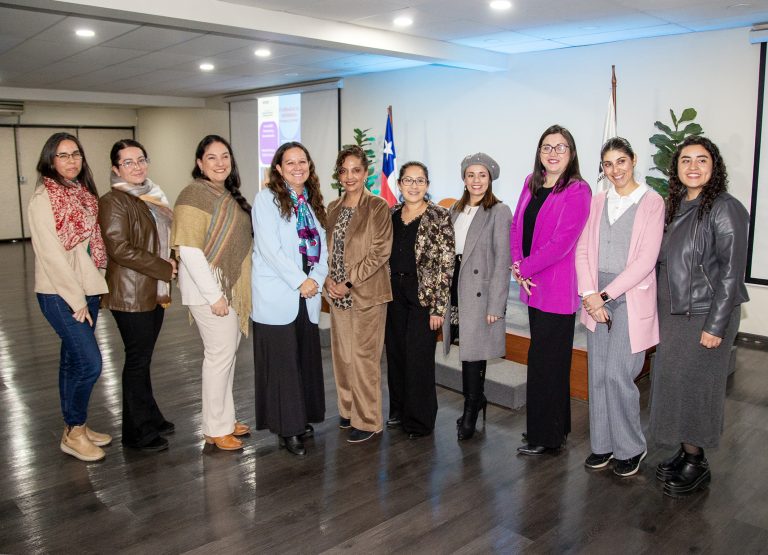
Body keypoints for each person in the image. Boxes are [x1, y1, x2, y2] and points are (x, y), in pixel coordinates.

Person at [649, 136, 749, 496]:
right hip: (675, 314)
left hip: (705, 315)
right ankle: (685, 450)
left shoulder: (725, 207)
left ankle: (697, 462)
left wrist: (716, 325)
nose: (693, 166)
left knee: (697, 388)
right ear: (675, 168)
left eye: (702, 160)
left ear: (714, 166)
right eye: (686, 160)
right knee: (676, 383)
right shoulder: (675, 205)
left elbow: (730, 274)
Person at [575, 137, 664, 476]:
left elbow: (645, 260)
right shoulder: (598, 201)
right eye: (608, 164)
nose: (615, 170)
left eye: (621, 162)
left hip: (629, 296)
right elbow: (583, 251)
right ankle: (603, 445)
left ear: (633, 161)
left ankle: (631, 447)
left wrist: (604, 296)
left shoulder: (652, 202)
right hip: (594, 294)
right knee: (597, 373)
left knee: (618, 373)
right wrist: (589, 293)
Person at [29, 132, 111, 462]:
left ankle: (75, 426)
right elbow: (50, 255)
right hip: (60, 293)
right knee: (90, 363)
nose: (71, 160)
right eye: (63, 155)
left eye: (75, 154)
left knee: (71, 359)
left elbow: (91, 243)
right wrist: (76, 299)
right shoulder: (43, 199)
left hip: (87, 287)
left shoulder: (82, 193)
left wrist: (90, 289)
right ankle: (73, 432)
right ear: (50, 161)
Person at [510, 124, 591, 455]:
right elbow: (517, 225)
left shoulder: (577, 190)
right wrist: (518, 265)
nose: (553, 152)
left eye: (560, 147)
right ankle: (555, 426)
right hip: (531, 285)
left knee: (548, 362)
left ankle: (547, 436)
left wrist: (525, 268)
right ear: (539, 152)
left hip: (556, 288)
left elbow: (562, 242)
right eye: (547, 146)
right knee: (542, 357)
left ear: (571, 153)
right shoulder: (531, 183)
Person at [171, 135, 253, 451]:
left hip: (225, 289)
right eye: (212, 157)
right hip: (210, 292)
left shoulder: (225, 194)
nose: (220, 163)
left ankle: (224, 419)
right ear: (199, 163)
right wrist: (215, 295)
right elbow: (189, 250)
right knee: (218, 358)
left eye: (225, 156)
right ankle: (214, 429)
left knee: (225, 357)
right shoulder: (194, 194)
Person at [98, 139, 177, 452]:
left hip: (152, 290)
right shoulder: (113, 201)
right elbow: (119, 248)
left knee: (143, 360)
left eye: (140, 159)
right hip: (131, 294)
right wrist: (162, 266)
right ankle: (137, 433)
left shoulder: (151, 196)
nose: (137, 166)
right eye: (128, 162)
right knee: (137, 361)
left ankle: (151, 417)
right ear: (116, 169)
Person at [251, 142, 328, 456]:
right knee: (282, 366)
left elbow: (321, 247)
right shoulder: (266, 198)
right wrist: (302, 281)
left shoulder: (310, 202)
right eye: (290, 162)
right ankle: (288, 430)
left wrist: (316, 279)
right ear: (279, 169)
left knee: (302, 361)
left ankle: (301, 419)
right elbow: (271, 250)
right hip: (278, 294)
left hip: (306, 297)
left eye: (303, 161)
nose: (298, 167)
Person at [325, 145, 393, 443]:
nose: (349, 176)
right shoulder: (333, 208)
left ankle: (368, 420)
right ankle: (349, 409)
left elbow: (380, 252)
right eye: (344, 170)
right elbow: (328, 251)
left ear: (365, 173)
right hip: (336, 294)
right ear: (338, 175)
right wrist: (328, 278)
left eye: (356, 170)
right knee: (343, 357)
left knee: (364, 358)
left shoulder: (377, 207)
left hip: (366, 294)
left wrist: (348, 282)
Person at [442, 152, 512, 441]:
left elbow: (502, 260)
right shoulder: (454, 211)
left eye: (482, 175)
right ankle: (477, 398)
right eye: (471, 175)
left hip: (479, 292)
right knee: (464, 347)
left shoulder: (499, 211)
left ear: (490, 178)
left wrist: (496, 304)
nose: (476, 180)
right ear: (464, 178)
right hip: (455, 286)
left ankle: (472, 406)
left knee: (474, 352)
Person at [385, 162, 454, 439]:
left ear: (427, 185)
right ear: (399, 184)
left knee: (419, 358)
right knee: (396, 355)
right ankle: (398, 411)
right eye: (408, 180)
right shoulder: (390, 214)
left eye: (420, 180)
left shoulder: (439, 216)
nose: (414, 186)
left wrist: (438, 307)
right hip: (392, 293)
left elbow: (446, 264)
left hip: (423, 296)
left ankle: (420, 420)